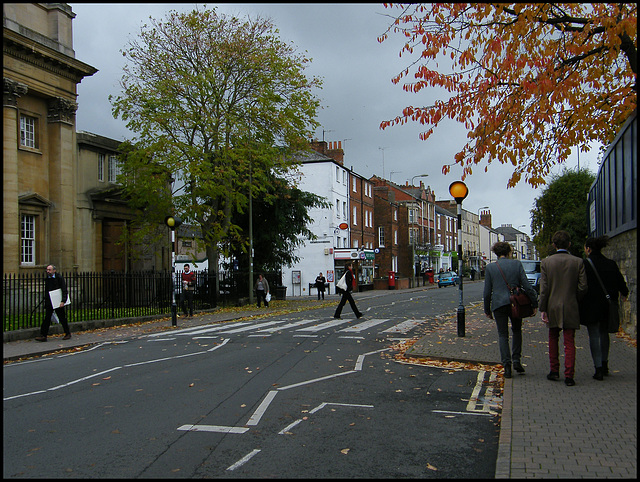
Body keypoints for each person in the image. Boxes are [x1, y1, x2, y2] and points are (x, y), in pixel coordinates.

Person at [539, 231, 588, 386]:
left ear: (554, 245)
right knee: (569, 341)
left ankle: (554, 371)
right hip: (571, 304)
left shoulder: (546, 262)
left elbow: (544, 289)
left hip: (552, 305)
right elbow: (583, 286)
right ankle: (569, 375)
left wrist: (543, 308)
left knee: (553, 338)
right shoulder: (578, 262)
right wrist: (575, 299)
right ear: (569, 244)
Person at [484, 242, 538, 378]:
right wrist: (534, 303)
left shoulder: (490, 267)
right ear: (509, 252)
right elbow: (527, 285)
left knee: (502, 335)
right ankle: (517, 360)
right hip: (516, 303)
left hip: (498, 304)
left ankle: (506, 366)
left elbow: (487, 292)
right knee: (517, 331)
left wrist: (487, 309)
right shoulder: (517, 264)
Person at [579, 236, 629, 380]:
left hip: (591, 305)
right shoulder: (610, 263)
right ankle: (605, 363)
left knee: (593, 334)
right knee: (603, 333)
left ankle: (598, 368)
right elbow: (620, 282)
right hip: (607, 305)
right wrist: (624, 293)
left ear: (588, 249)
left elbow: (581, 284)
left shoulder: (584, 264)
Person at [36, 264, 72, 342]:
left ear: (54, 270)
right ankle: (43, 335)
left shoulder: (59, 278)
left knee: (62, 318)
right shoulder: (47, 279)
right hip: (50, 301)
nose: (48, 271)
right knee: (47, 318)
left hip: (58, 301)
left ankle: (67, 333)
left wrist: (63, 301)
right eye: (47, 270)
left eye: (49, 270)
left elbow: (64, 289)